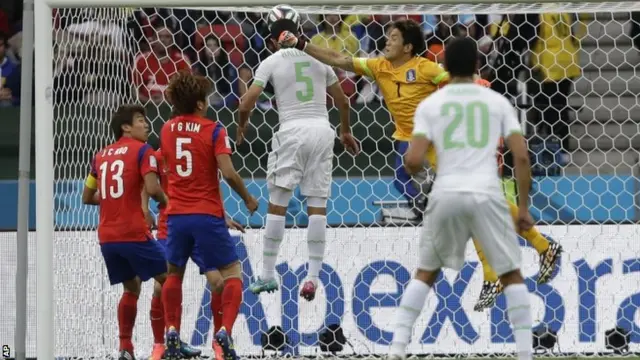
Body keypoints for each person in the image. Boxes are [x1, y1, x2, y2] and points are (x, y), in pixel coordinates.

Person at [277, 17, 562, 310]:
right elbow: (339, 58)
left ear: (409, 46)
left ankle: (522, 257)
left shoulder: (425, 68)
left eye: (394, 38)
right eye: (387, 36)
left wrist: (478, 85)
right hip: (422, 149)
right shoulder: (379, 67)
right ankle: (527, 254)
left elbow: (455, 81)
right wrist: (301, 43)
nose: (387, 41)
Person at [391, 37, 534, 360]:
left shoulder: (430, 105)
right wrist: (523, 209)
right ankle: (525, 354)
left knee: (426, 273)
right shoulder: (496, 102)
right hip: (487, 193)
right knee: (511, 273)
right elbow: (521, 158)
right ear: (476, 66)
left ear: (444, 67)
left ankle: (397, 349)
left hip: (446, 192)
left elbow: (411, 161)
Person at [237, 17, 359, 301]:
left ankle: (267, 274)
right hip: (322, 130)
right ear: (298, 34)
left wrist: (242, 126)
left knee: (278, 205)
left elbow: (247, 102)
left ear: (271, 41)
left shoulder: (272, 61)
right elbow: (342, 100)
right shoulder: (320, 60)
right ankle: (313, 277)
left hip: (291, 131)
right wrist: (345, 130)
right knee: (317, 205)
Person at [159, 70, 258, 360]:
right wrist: (248, 198)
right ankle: (225, 332)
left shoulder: (166, 129)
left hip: (176, 215)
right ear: (201, 104)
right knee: (232, 274)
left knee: (174, 273)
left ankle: (173, 332)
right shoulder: (214, 130)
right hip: (206, 214)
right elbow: (227, 173)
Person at [81, 104, 169, 360]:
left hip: (108, 238)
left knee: (131, 288)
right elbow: (152, 188)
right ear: (125, 127)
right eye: (141, 120)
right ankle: (170, 339)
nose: (147, 124)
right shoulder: (144, 151)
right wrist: (166, 203)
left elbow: (87, 196)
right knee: (170, 278)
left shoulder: (100, 156)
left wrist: (113, 198)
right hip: (133, 232)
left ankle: (125, 348)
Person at [143, 147, 244, 360]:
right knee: (161, 285)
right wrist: (145, 210)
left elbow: (213, 185)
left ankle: (219, 343)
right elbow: (146, 183)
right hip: (169, 225)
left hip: (199, 224)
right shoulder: (159, 154)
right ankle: (162, 343)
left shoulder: (201, 149)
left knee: (218, 282)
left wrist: (222, 215)